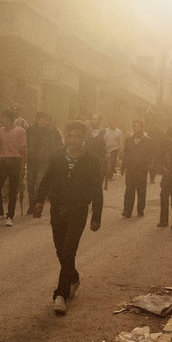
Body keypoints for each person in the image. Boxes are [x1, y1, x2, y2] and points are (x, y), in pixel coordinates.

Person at [33, 120, 103, 315]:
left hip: (78, 210)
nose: (73, 140)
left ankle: (60, 295)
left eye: (77, 136)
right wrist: (39, 200)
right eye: (70, 136)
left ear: (84, 138)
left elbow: (97, 189)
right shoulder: (57, 156)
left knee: (69, 250)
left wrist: (96, 215)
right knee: (60, 251)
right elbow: (47, 179)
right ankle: (73, 277)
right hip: (58, 209)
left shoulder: (92, 160)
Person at [0, 109, 26, 227]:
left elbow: (23, 149)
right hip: (3, 161)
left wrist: (22, 166)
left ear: (10, 119)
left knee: (13, 190)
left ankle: (10, 216)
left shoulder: (20, 131)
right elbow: (0, 147)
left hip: (15, 161)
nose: (2, 120)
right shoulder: (0, 130)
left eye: (4, 118)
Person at [26, 112, 63, 214]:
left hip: (45, 161)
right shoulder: (30, 131)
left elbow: (59, 146)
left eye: (46, 119)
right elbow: (25, 144)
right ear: (37, 119)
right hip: (32, 161)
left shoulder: (52, 131)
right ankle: (31, 205)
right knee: (30, 184)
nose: (44, 122)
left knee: (39, 182)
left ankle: (37, 205)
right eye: (42, 119)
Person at [121, 119, 152, 218]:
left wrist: (148, 165)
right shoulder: (129, 140)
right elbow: (125, 154)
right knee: (129, 190)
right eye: (135, 126)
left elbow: (150, 155)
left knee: (141, 190)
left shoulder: (147, 141)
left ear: (142, 128)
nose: (136, 128)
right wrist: (123, 167)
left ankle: (140, 209)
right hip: (130, 168)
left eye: (138, 126)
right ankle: (127, 210)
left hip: (142, 169)